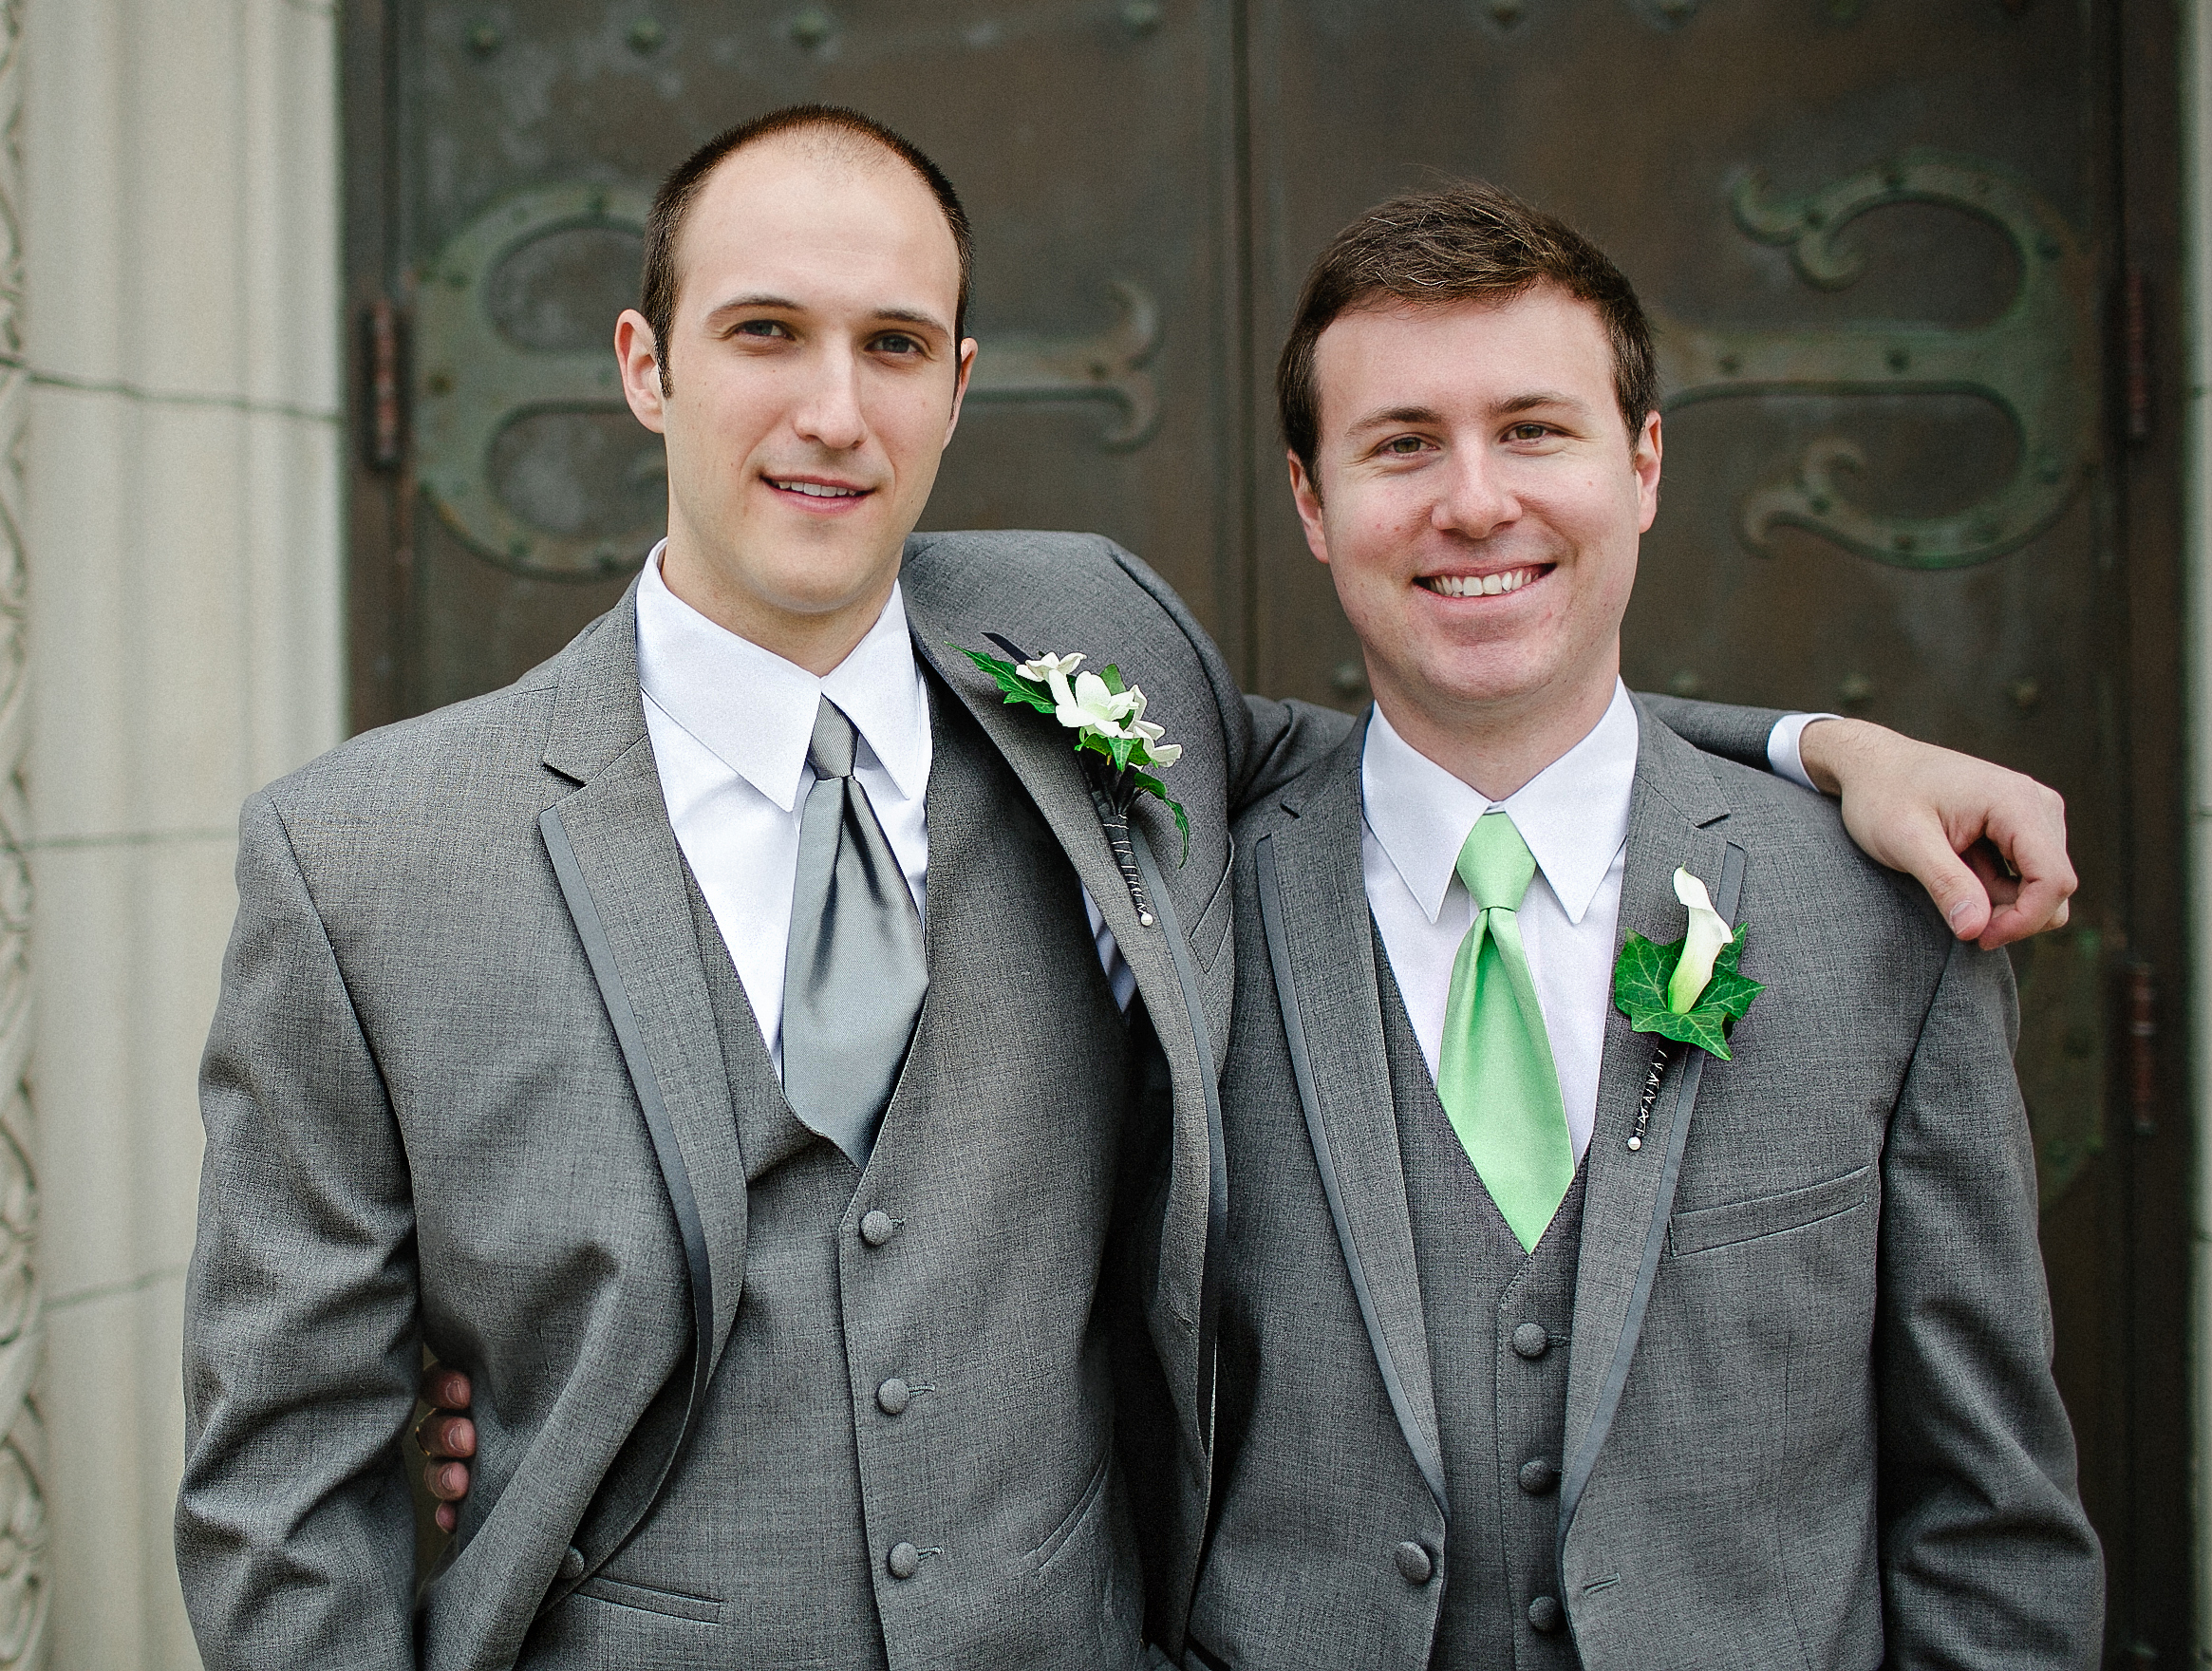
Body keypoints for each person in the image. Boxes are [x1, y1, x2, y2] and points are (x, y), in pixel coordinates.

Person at [179, 106, 2076, 1669]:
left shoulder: (1086, 656)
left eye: (894, 344)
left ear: (955, 383)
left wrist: (1816, 748)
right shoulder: (365, 860)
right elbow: (283, 1488)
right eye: (765, 332)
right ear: (644, 362)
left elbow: (1470, 728)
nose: (832, 410)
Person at [1173, 183, 2101, 1668]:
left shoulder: (1877, 919)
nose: (1473, 501)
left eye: (1534, 431)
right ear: (1309, 499)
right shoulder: (1179, 907)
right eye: (1401, 444)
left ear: (1644, 462)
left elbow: (1985, 1509)